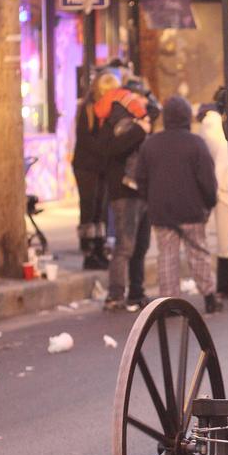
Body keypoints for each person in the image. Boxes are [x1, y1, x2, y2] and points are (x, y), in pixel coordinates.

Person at [136, 95, 221, 314]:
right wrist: (209, 202)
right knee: (198, 253)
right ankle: (209, 296)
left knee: (167, 256)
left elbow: (141, 179)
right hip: (192, 209)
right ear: (186, 116)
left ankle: (169, 303)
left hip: (162, 211)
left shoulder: (151, 143)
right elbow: (207, 179)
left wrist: (149, 201)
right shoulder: (196, 143)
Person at [97, 73, 152, 312]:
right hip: (124, 192)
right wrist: (140, 129)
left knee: (140, 246)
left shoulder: (140, 118)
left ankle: (136, 293)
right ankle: (115, 294)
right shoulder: (114, 121)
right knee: (125, 246)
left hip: (141, 190)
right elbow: (115, 149)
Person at [71, 68, 117, 270]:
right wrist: (105, 150)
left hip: (102, 166)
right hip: (86, 166)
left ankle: (99, 248)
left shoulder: (110, 110)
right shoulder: (88, 109)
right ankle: (89, 251)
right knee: (89, 208)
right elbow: (86, 139)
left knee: (101, 209)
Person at [198, 90, 228, 300]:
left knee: (226, 241)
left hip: (222, 188)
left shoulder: (211, 126)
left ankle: (224, 286)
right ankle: (224, 286)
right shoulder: (217, 128)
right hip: (223, 189)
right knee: (226, 242)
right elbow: (223, 156)